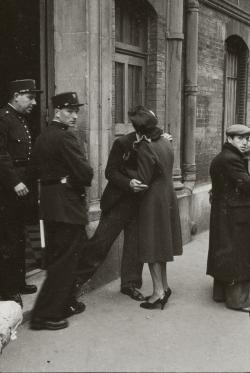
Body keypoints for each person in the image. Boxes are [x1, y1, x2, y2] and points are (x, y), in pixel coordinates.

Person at [29, 92, 93, 330]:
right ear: (57, 112)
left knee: (62, 257)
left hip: (50, 204)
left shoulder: (43, 137)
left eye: (76, 111)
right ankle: (44, 315)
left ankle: (64, 303)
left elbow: (35, 170)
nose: (74, 116)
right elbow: (85, 174)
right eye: (69, 111)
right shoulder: (66, 138)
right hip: (67, 206)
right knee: (64, 261)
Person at [78, 126, 148, 301]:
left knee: (134, 245)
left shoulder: (155, 143)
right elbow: (110, 172)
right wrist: (128, 183)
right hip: (118, 202)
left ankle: (130, 285)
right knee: (101, 242)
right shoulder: (122, 143)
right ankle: (75, 281)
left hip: (139, 202)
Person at [124, 106, 183, 310]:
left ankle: (158, 293)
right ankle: (164, 287)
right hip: (167, 195)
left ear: (139, 129)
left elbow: (142, 179)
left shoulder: (145, 147)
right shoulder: (165, 141)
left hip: (152, 200)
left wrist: (129, 174)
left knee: (151, 247)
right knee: (161, 245)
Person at [0, 79, 42, 307]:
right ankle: (7, 290)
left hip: (23, 187)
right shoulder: (3, 119)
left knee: (21, 235)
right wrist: (14, 182)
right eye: (30, 97)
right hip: (8, 190)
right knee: (8, 239)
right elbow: (1, 155)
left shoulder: (20, 120)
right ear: (16, 95)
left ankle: (19, 281)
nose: (34, 102)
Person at [207, 124, 250, 312]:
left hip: (225, 212)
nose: (245, 143)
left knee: (224, 250)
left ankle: (220, 293)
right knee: (237, 255)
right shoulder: (232, 159)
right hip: (234, 215)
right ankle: (237, 301)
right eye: (240, 138)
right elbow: (246, 185)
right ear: (229, 139)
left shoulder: (226, 157)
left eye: (247, 139)